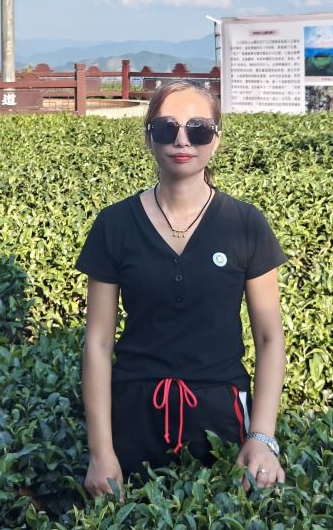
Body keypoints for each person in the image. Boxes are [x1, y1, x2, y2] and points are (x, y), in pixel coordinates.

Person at [75, 80, 288, 496]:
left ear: (216, 139)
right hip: (133, 415)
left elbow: (269, 338)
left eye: (198, 129)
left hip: (223, 416)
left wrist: (262, 438)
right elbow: (97, 343)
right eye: (166, 128)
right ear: (149, 137)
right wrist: (101, 452)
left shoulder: (246, 224)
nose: (182, 140)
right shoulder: (114, 224)